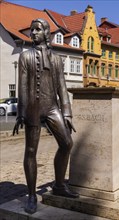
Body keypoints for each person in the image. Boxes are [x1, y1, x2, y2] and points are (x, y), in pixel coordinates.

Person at [13, 18, 78, 214]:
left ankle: (59, 185)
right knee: (31, 151)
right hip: (32, 107)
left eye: (37, 30)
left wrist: (66, 112)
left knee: (67, 143)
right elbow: (22, 87)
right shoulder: (25, 57)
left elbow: (62, 87)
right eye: (31, 30)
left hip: (52, 107)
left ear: (47, 33)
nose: (33, 33)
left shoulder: (57, 58)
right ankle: (32, 195)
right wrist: (21, 113)